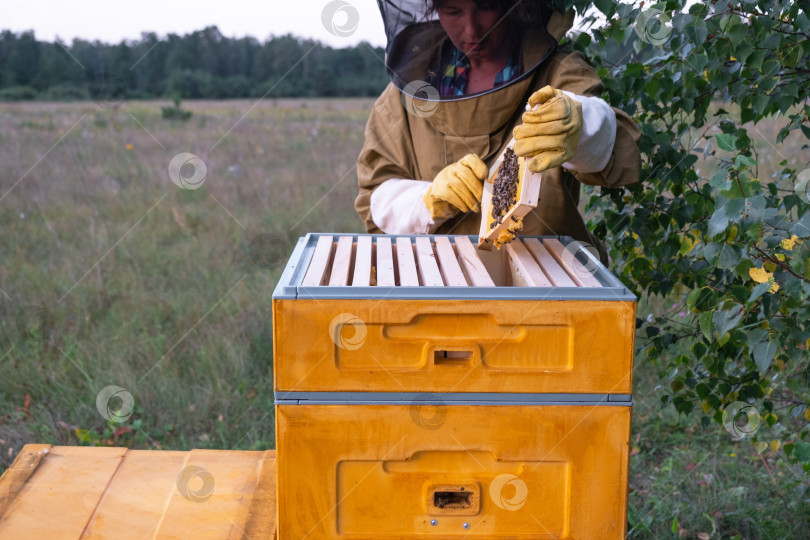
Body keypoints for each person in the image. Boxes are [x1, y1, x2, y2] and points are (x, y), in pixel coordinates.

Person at [355, 0, 640, 262]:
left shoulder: (558, 72)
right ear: (434, 9)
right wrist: (426, 200)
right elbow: (376, 200)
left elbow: (616, 148)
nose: (471, 29)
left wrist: (582, 121)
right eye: (453, 11)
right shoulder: (409, 93)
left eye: (486, 5)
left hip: (547, 287)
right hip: (439, 284)